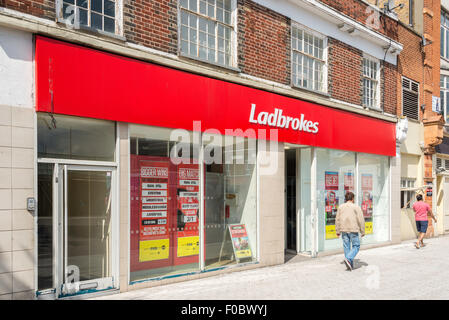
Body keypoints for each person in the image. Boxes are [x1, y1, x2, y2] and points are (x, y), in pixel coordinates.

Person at [336, 191, 365, 271]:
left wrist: (337, 230)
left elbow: (337, 219)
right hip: (353, 230)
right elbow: (361, 219)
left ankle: (350, 265)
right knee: (356, 246)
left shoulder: (341, 207)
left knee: (346, 247)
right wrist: (362, 231)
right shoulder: (356, 207)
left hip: (344, 230)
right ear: (352, 198)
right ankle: (349, 258)